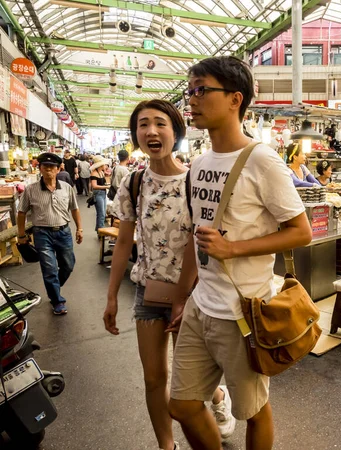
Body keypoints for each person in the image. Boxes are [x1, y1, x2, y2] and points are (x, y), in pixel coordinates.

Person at [168, 56, 312, 450]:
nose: (192, 100)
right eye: (190, 91)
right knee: (180, 404)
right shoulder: (197, 164)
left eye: (201, 90)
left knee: (253, 410)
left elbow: (301, 231)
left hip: (243, 309)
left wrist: (234, 248)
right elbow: (195, 239)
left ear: (235, 99)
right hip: (202, 305)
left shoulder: (262, 160)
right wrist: (183, 298)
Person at [103, 100, 231, 450]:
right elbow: (124, 241)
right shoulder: (133, 182)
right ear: (135, 136)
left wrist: (180, 298)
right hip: (148, 293)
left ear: (176, 132)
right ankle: (166, 446)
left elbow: (197, 241)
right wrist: (112, 295)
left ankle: (218, 397)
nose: (151, 131)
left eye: (160, 123)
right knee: (154, 378)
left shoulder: (195, 180)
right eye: (143, 125)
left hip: (192, 294)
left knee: (188, 382)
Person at [16, 152, 83, 315]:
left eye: (52, 167)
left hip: (63, 231)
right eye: (44, 166)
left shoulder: (66, 188)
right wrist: (21, 235)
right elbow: (21, 212)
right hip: (42, 234)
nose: (48, 169)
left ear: (58, 169)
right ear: (39, 168)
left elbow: (75, 208)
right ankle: (57, 300)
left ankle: (54, 288)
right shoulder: (31, 190)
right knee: (49, 269)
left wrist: (79, 228)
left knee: (68, 265)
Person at [90, 155, 111, 235]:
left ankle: (100, 230)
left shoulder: (101, 172)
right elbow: (94, 186)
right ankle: (100, 232)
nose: (105, 165)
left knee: (102, 213)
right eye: (104, 164)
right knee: (101, 214)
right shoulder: (94, 173)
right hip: (98, 194)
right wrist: (106, 186)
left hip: (102, 193)